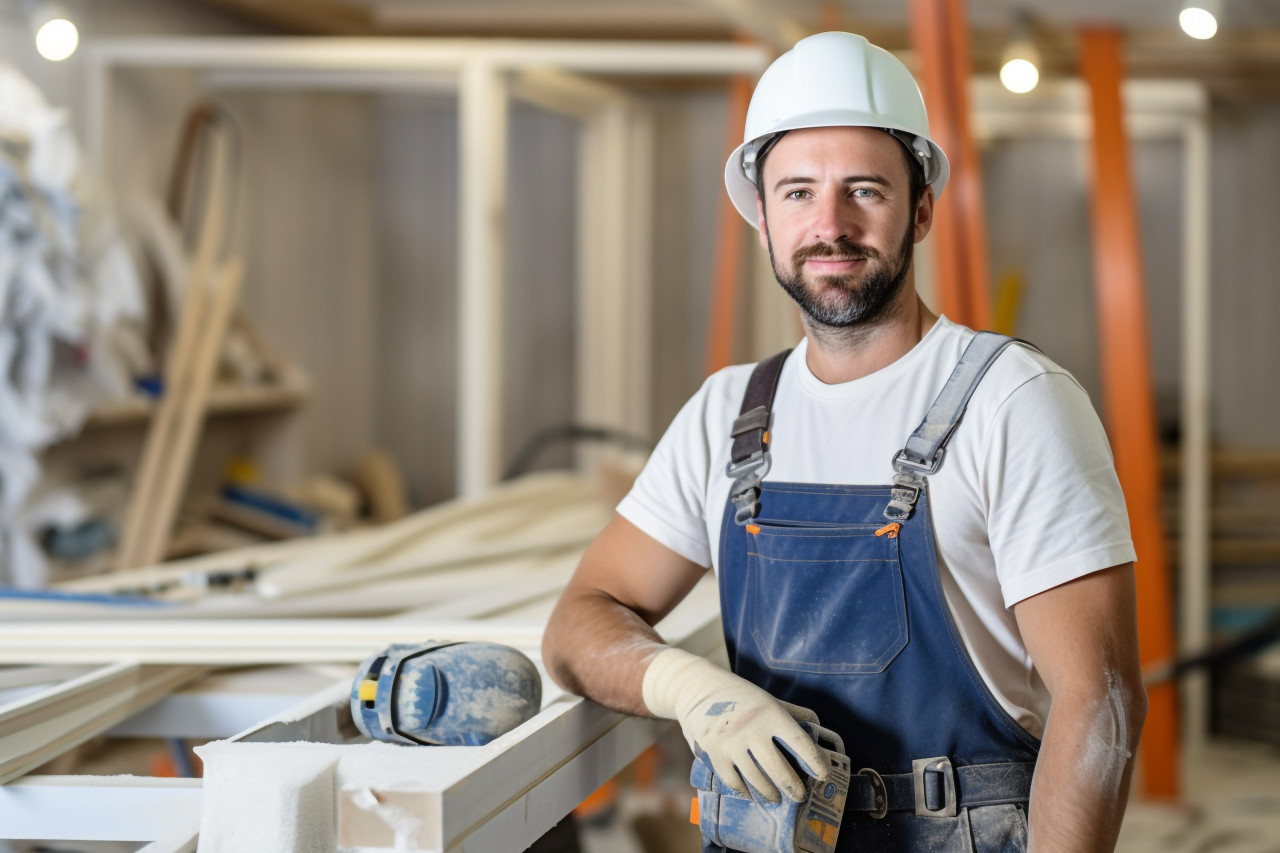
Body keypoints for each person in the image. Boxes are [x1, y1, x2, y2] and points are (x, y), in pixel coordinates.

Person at [542, 31, 1147, 853]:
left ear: (921, 208)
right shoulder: (730, 412)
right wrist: (691, 688)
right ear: (761, 217)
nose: (829, 225)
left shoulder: (1012, 402)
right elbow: (581, 620)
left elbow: (1099, 698)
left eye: (864, 190)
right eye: (797, 193)